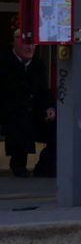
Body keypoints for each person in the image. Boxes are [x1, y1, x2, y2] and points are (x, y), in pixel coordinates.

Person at [0, 29, 55, 177]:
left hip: (33, 109)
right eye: (27, 44)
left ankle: (47, 165)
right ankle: (19, 164)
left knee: (57, 124)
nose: (30, 48)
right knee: (20, 117)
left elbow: (43, 90)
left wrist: (50, 107)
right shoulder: (4, 62)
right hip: (10, 109)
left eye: (33, 44)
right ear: (16, 42)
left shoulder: (37, 63)